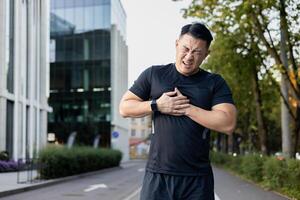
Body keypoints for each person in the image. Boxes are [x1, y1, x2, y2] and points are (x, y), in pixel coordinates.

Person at [119, 22, 237, 200]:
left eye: (197, 52)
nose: (189, 56)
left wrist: (187, 109)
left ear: (206, 54)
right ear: (176, 44)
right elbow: (124, 107)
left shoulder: (214, 82)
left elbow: (227, 123)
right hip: (157, 177)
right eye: (185, 48)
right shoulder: (154, 74)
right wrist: (157, 105)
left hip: (197, 180)